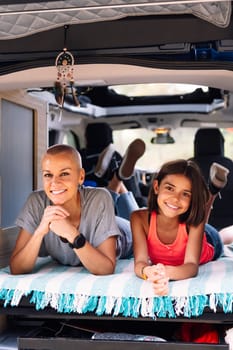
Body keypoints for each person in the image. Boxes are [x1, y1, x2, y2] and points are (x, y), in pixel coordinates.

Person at [10, 143, 142, 275]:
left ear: (81, 177)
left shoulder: (99, 198)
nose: (54, 183)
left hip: (124, 234)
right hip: (100, 214)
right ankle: (118, 178)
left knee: (136, 218)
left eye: (64, 174)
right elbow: (17, 268)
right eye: (48, 175)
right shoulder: (36, 202)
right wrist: (39, 232)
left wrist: (71, 234)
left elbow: (105, 268)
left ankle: (118, 179)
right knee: (106, 198)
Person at [131, 159, 229, 296]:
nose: (175, 198)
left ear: (191, 197)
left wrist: (165, 273)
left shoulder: (194, 221)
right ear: (156, 187)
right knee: (199, 216)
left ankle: (211, 193)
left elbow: (191, 267)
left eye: (185, 194)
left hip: (209, 241)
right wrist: (147, 272)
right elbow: (140, 262)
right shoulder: (139, 219)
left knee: (222, 236)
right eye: (170, 188)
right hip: (190, 225)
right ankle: (210, 191)